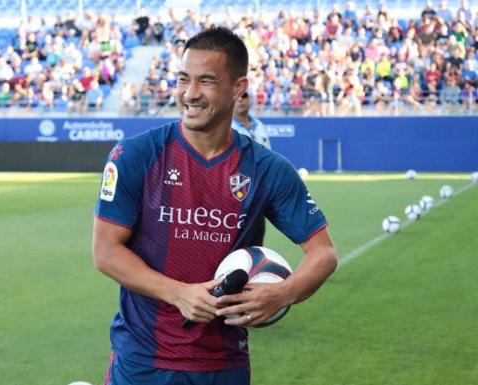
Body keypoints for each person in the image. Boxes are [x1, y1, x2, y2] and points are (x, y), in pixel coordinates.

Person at [93, 27, 337, 385]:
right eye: (183, 79)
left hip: (224, 367)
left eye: (206, 81)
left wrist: (284, 294)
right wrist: (179, 294)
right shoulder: (136, 155)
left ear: (238, 88)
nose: (190, 94)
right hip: (142, 362)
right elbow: (105, 252)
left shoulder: (267, 169)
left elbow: (323, 253)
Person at [232, 89, 272, 247]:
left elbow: (269, 157)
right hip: (234, 196)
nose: (241, 100)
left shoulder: (259, 125)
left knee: (256, 244)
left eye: (244, 96)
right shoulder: (225, 127)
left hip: (257, 196)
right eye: (237, 96)